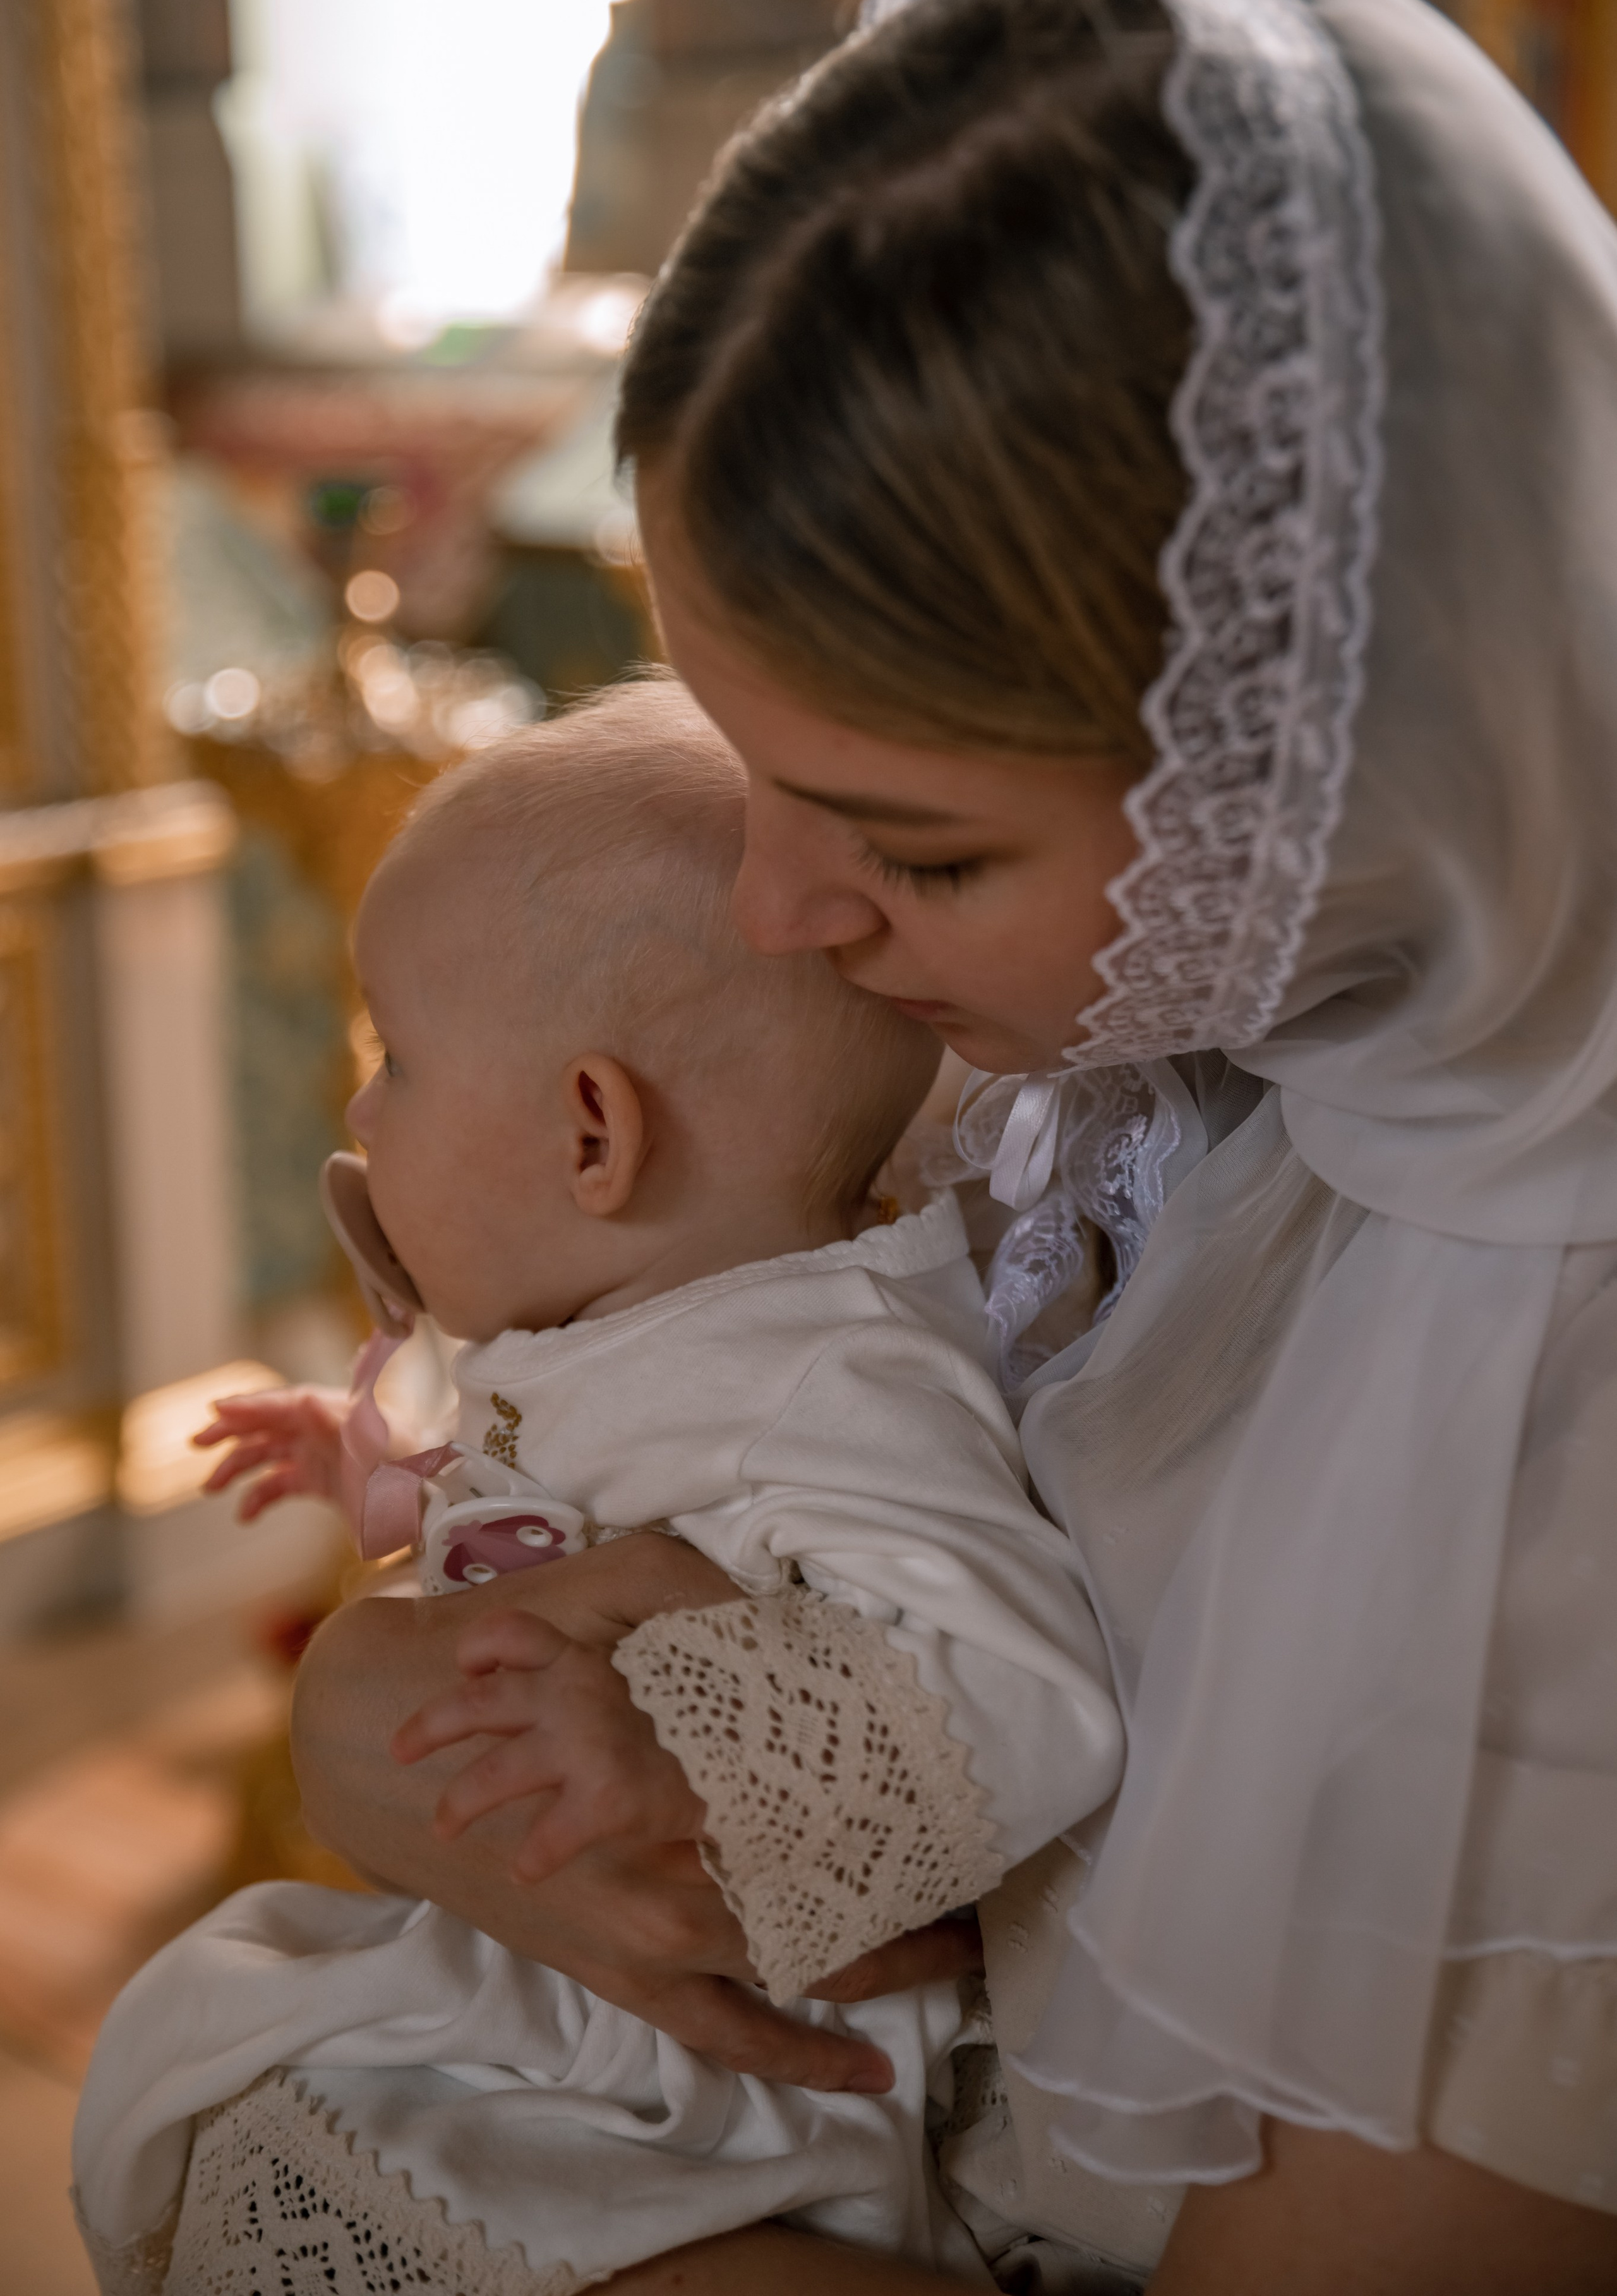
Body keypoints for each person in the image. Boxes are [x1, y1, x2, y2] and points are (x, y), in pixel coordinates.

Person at [171, 0, 1617, 2295]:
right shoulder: (1075, 1070)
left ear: (1330, 772)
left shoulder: (1554, 1399)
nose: (770, 913)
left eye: (919, 844)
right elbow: (564, 1532)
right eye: (752, 777)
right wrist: (387, 1737)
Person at [71, 682, 1127, 2293]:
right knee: (239, 2074)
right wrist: (379, 1470)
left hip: (708, 2081)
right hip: (566, 1982)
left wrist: (672, 1734)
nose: (360, 1113)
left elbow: (1015, 1675)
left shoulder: (830, 1371)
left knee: (284, 2115)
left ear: (592, 1132)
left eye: (393, 1059)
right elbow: (547, 1516)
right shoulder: (661, 1324)